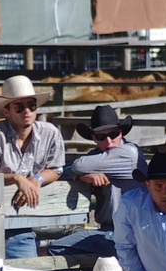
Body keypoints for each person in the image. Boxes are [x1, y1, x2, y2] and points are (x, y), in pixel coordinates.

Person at [0, 76, 65, 259]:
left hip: (41, 217)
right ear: (6, 111)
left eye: (31, 106)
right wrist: (15, 178)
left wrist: (36, 180)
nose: (27, 111)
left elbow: (57, 167)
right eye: (19, 107)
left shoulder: (50, 133)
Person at [50, 104, 143, 258]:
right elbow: (61, 170)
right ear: (93, 138)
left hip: (130, 232)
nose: (108, 141)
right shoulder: (96, 156)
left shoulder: (129, 154)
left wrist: (82, 171)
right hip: (110, 230)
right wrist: (82, 176)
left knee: (56, 248)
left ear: (121, 133)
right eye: (101, 137)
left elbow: (78, 165)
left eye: (113, 134)